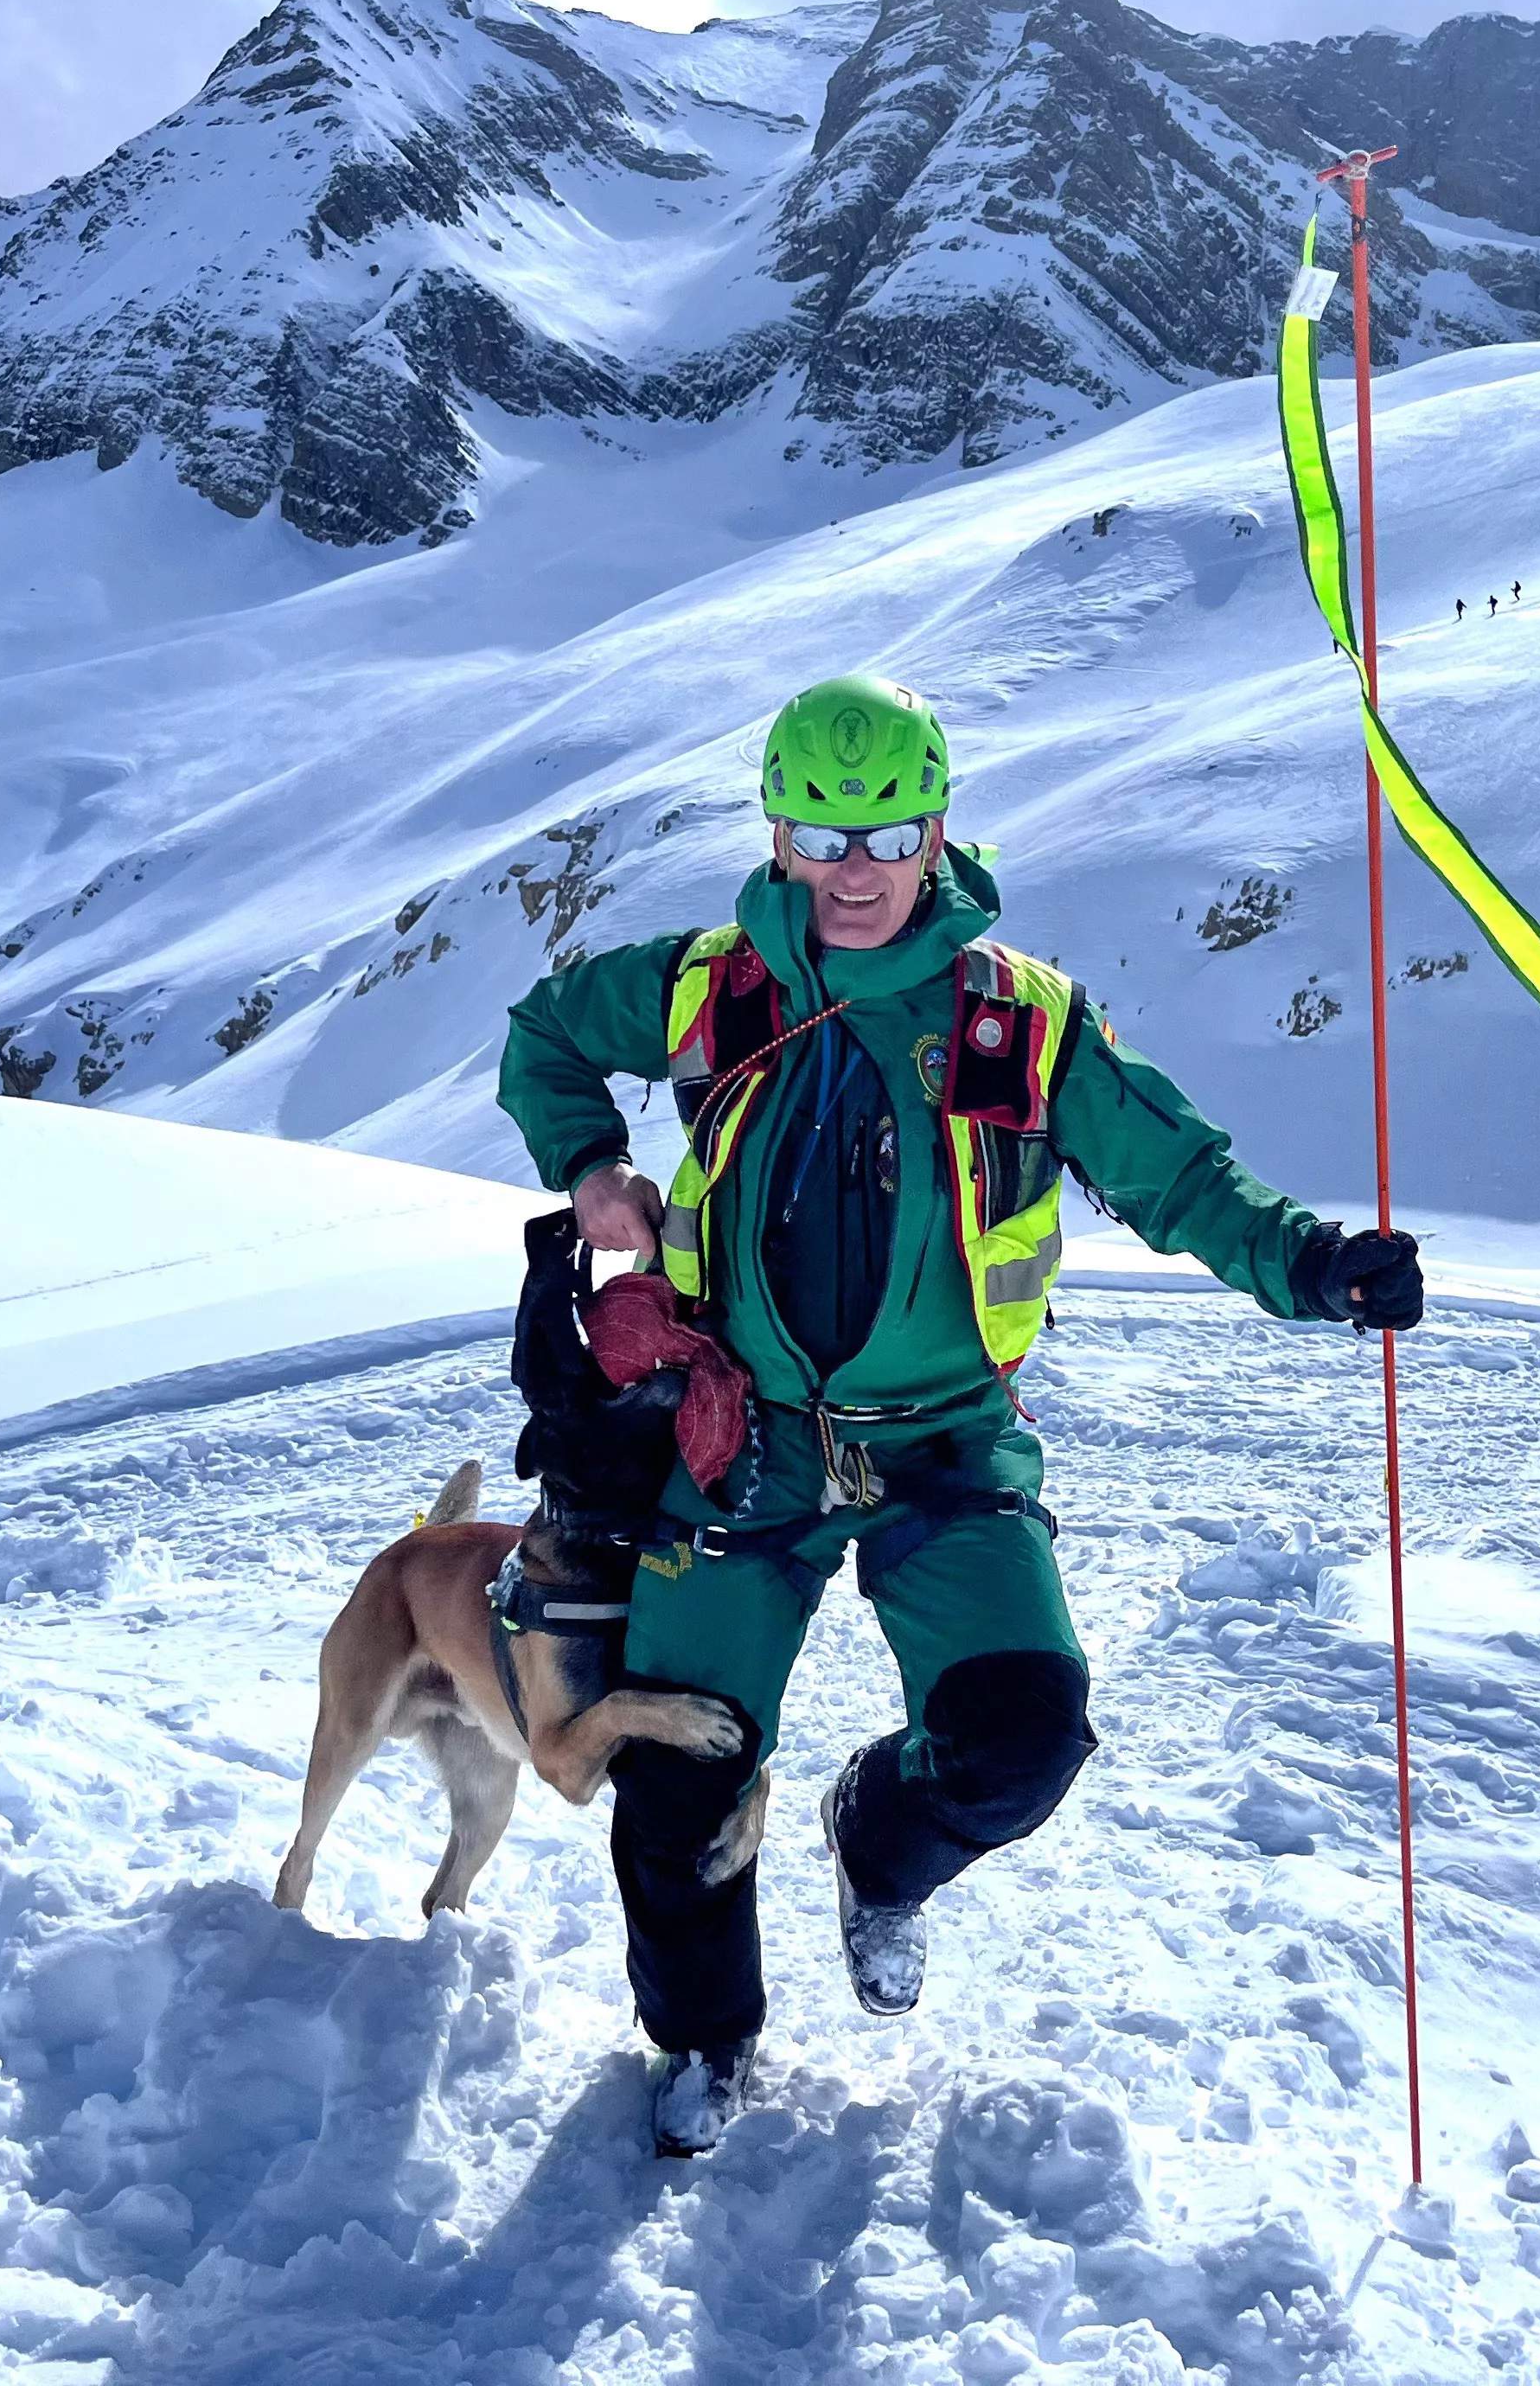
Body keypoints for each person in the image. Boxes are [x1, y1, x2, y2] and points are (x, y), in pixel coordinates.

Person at [497, 675, 1425, 2156]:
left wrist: (1315, 1265)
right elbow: (545, 1032)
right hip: (748, 1446)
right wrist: (592, 1165)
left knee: (1022, 1738)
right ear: (776, 831)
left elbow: (1179, 1177)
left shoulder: (1022, 1023)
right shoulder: (709, 985)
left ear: (939, 831)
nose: (852, 868)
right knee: (677, 1780)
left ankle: (877, 1841)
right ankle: (708, 2040)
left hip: (944, 1439)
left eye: (886, 831)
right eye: (818, 829)